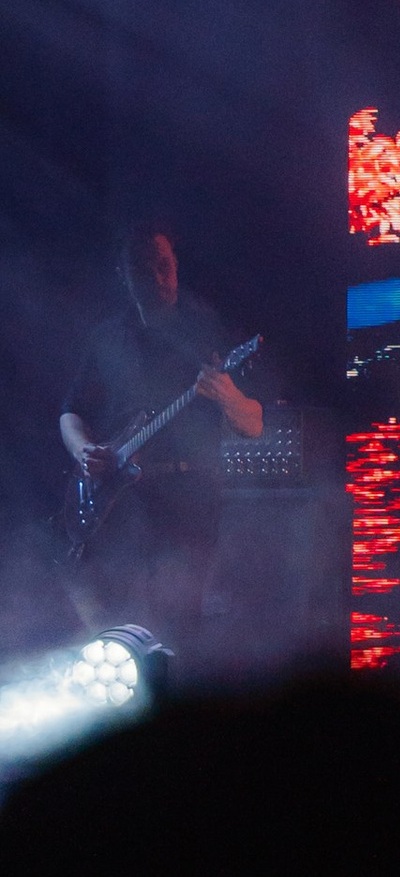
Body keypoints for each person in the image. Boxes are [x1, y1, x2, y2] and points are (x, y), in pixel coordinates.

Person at [59, 223, 261, 652]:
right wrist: (84, 451)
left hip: (188, 499)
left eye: (163, 265)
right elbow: (71, 412)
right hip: (120, 504)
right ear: (123, 274)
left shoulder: (205, 330)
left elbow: (254, 423)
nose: (156, 277)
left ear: (176, 266)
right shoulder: (107, 338)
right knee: (115, 615)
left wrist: (227, 393)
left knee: (179, 620)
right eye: (142, 268)